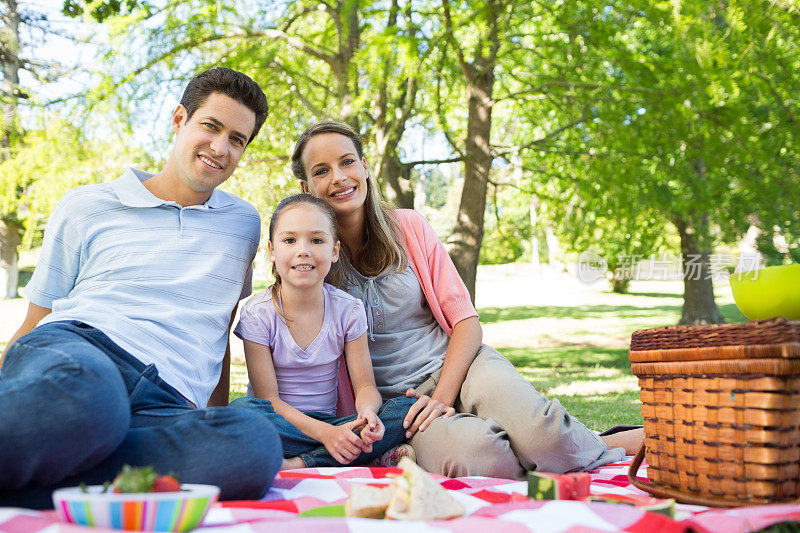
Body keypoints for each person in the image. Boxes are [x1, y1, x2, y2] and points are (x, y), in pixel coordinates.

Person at [290, 120, 645, 479]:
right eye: (322, 170)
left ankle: (580, 442)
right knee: (485, 459)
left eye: (347, 162)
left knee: (546, 438)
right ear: (306, 188)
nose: (339, 176)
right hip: (401, 406)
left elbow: (466, 323)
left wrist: (443, 396)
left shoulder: (409, 227)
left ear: (364, 166)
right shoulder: (309, 262)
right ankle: (417, 450)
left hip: (465, 365)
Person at [0, 67, 283, 509]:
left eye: (237, 139)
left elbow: (216, 330)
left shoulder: (244, 223)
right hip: (81, 357)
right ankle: (79, 451)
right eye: (211, 126)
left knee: (252, 445)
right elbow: (33, 324)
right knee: (91, 403)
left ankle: (60, 466)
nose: (220, 148)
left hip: (163, 403)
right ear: (179, 119)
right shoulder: (87, 204)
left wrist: (209, 417)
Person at [230, 193, 415, 468]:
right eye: (289, 240)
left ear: (334, 251)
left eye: (316, 240)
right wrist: (328, 435)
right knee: (241, 413)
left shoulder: (348, 310)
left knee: (407, 409)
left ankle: (300, 463)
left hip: (334, 422)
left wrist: (367, 414)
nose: (303, 250)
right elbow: (269, 399)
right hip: (280, 425)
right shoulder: (258, 314)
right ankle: (354, 451)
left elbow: (365, 386)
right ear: (271, 250)